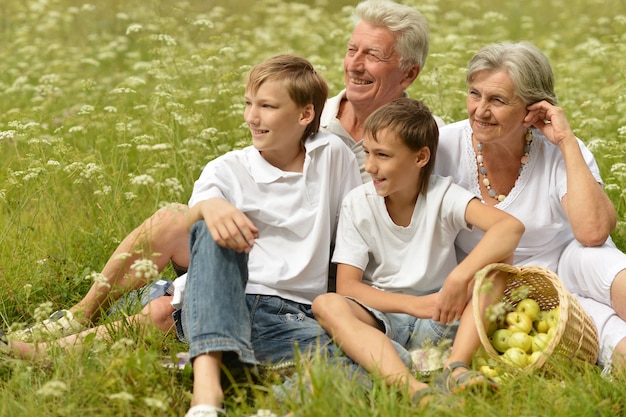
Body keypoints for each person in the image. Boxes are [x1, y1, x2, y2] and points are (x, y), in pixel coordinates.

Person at [8, 0, 440, 343]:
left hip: (317, 277)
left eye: (374, 56)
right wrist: (215, 207)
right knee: (176, 218)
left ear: (409, 73)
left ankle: (160, 309)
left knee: (166, 307)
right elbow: (241, 180)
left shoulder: (417, 142)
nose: (355, 64)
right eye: (352, 50)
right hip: (249, 248)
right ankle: (80, 314)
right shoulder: (310, 116)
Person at [179, 54, 360, 417]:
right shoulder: (228, 168)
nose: (251, 117)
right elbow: (193, 217)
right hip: (232, 303)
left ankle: (269, 396)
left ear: (305, 115)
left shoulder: (333, 155)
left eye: (266, 106)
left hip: (297, 317)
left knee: (362, 360)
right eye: (249, 104)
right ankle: (206, 393)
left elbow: (352, 234)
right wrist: (212, 208)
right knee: (211, 226)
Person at [312, 97, 524, 403]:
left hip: (439, 316)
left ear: (420, 157)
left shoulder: (443, 195)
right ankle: (415, 388)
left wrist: (459, 278)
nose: (370, 166)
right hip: (383, 318)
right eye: (368, 153)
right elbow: (348, 286)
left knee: (499, 262)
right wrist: (412, 306)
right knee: (326, 303)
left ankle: (455, 366)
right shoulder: (358, 202)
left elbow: (510, 228)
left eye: (383, 155)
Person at [433, 41, 626, 371]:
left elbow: (593, 232)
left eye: (497, 100)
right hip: (498, 286)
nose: (480, 110)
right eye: (475, 94)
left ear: (532, 109)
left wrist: (566, 141)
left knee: (612, 270)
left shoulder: (559, 149)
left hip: (569, 263)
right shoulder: (444, 147)